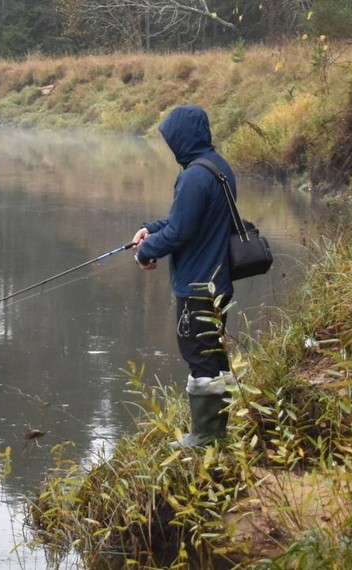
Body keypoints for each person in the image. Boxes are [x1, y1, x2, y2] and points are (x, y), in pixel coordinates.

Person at [129, 105, 237, 449]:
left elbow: (179, 233)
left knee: (199, 355)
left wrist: (146, 251)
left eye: (171, 138)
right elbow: (185, 221)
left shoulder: (194, 176)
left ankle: (205, 437)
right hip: (219, 282)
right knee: (215, 355)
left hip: (196, 285)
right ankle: (217, 433)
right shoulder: (218, 168)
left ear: (182, 138)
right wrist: (150, 229)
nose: (170, 145)